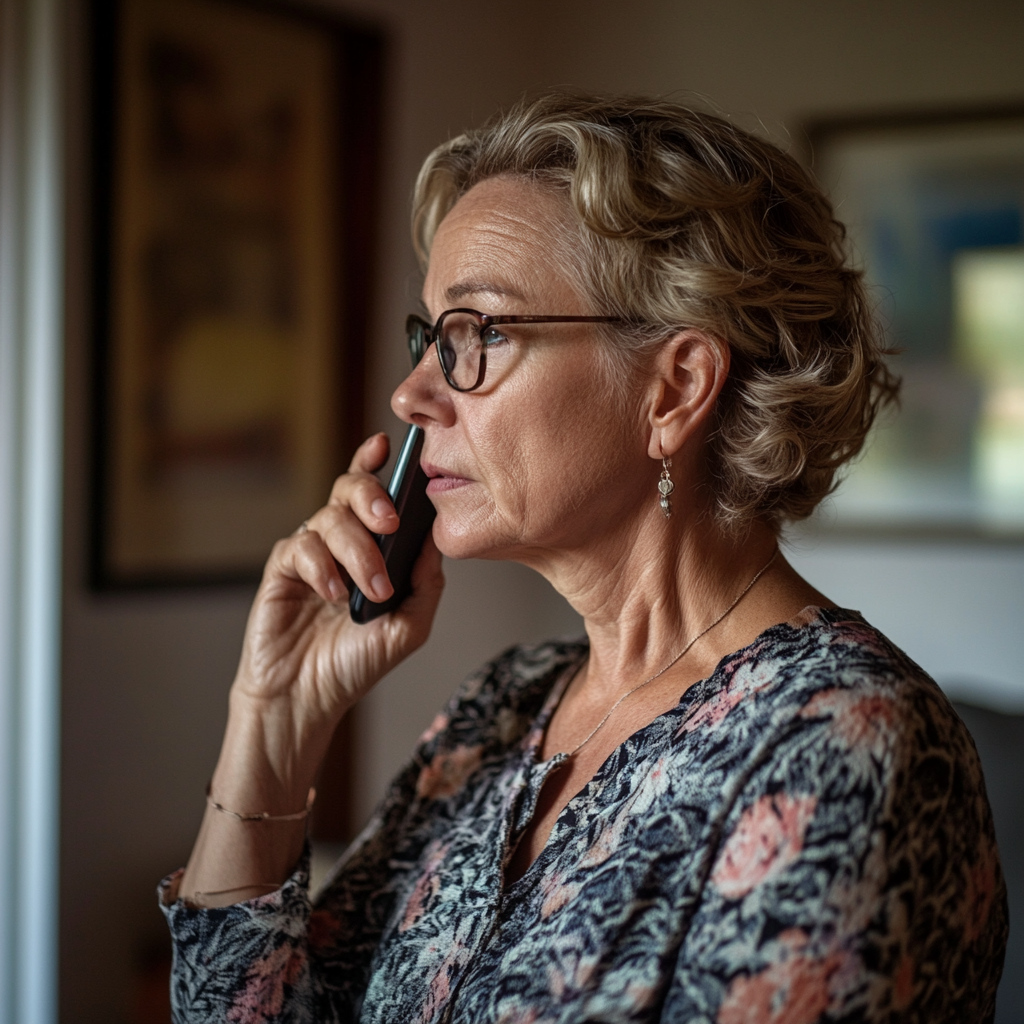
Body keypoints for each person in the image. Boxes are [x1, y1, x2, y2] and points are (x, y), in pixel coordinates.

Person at [160, 93, 1007, 1023]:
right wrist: (274, 724)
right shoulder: (500, 710)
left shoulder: (844, 749)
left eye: (476, 334)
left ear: (674, 388)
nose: (411, 396)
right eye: (429, 338)